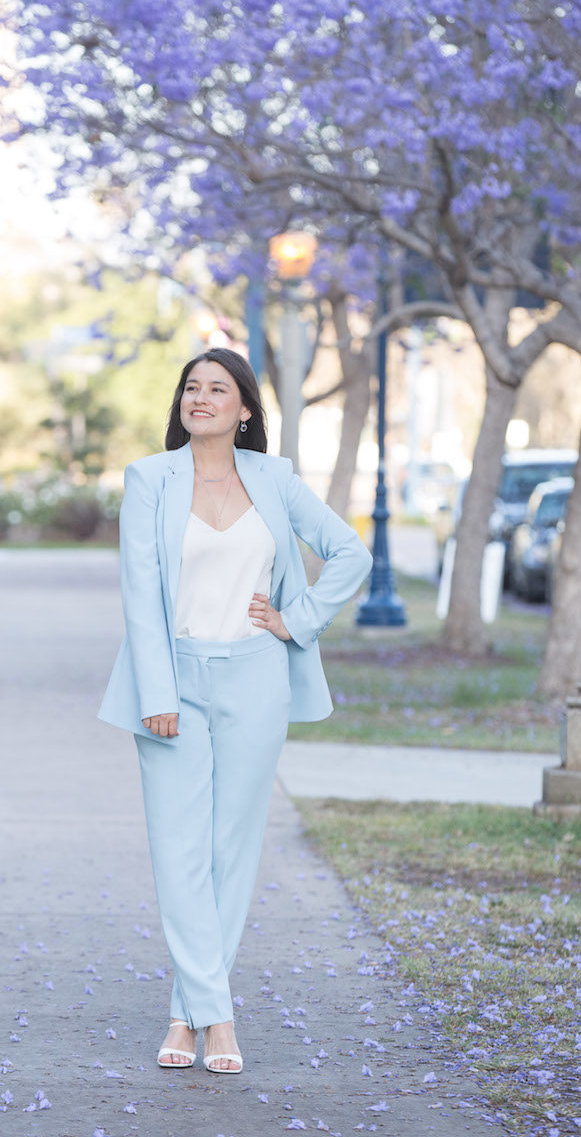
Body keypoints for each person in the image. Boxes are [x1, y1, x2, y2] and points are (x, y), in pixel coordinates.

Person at [98, 349, 372, 1075]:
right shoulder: (150, 480)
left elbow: (350, 553)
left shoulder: (275, 481)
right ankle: (216, 1017)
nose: (201, 397)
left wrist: (297, 617)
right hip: (174, 684)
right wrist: (156, 693)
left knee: (230, 851)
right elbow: (138, 592)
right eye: (192, 387)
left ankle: (186, 1016)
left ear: (246, 409)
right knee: (178, 852)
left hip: (256, 678)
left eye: (218, 389)